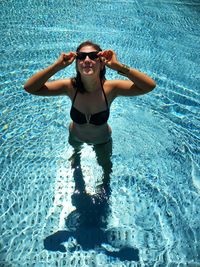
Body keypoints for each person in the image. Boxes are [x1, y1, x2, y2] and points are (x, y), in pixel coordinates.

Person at [24, 41, 156, 259]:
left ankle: (103, 184)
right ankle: (76, 163)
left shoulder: (110, 89)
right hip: (75, 136)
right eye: (81, 56)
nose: (87, 60)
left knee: (106, 172)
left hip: (102, 141)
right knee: (75, 167)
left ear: (101, 62)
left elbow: (149, 86)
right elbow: (30, 88)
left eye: (93, 56)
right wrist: (57, 66)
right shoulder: (69, 87)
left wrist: (118, 66)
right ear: (76, 63)